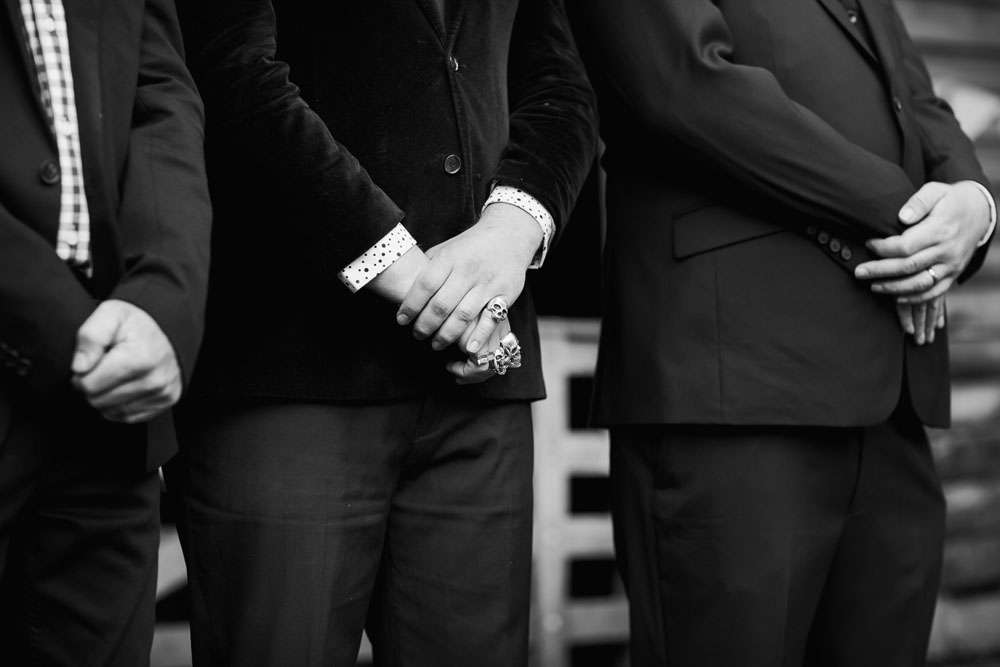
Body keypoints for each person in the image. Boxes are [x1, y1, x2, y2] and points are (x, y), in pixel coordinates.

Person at [167, 1, 597, 665]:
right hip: (291, 368)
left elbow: (559, 82)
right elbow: (231, 67)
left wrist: (510, 235)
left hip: (480, 392)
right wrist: (426, 284)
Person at [567, 1, 996, 664]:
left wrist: (972, 203)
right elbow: (680, 85)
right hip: (734, 384)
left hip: (892, 404)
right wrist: (906, 215)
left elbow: (915, 96)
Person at [0, 0, 211, 664]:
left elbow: (160, 98)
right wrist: (68, 330)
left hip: (114, 417)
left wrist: (163, 304)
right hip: (85, 352)